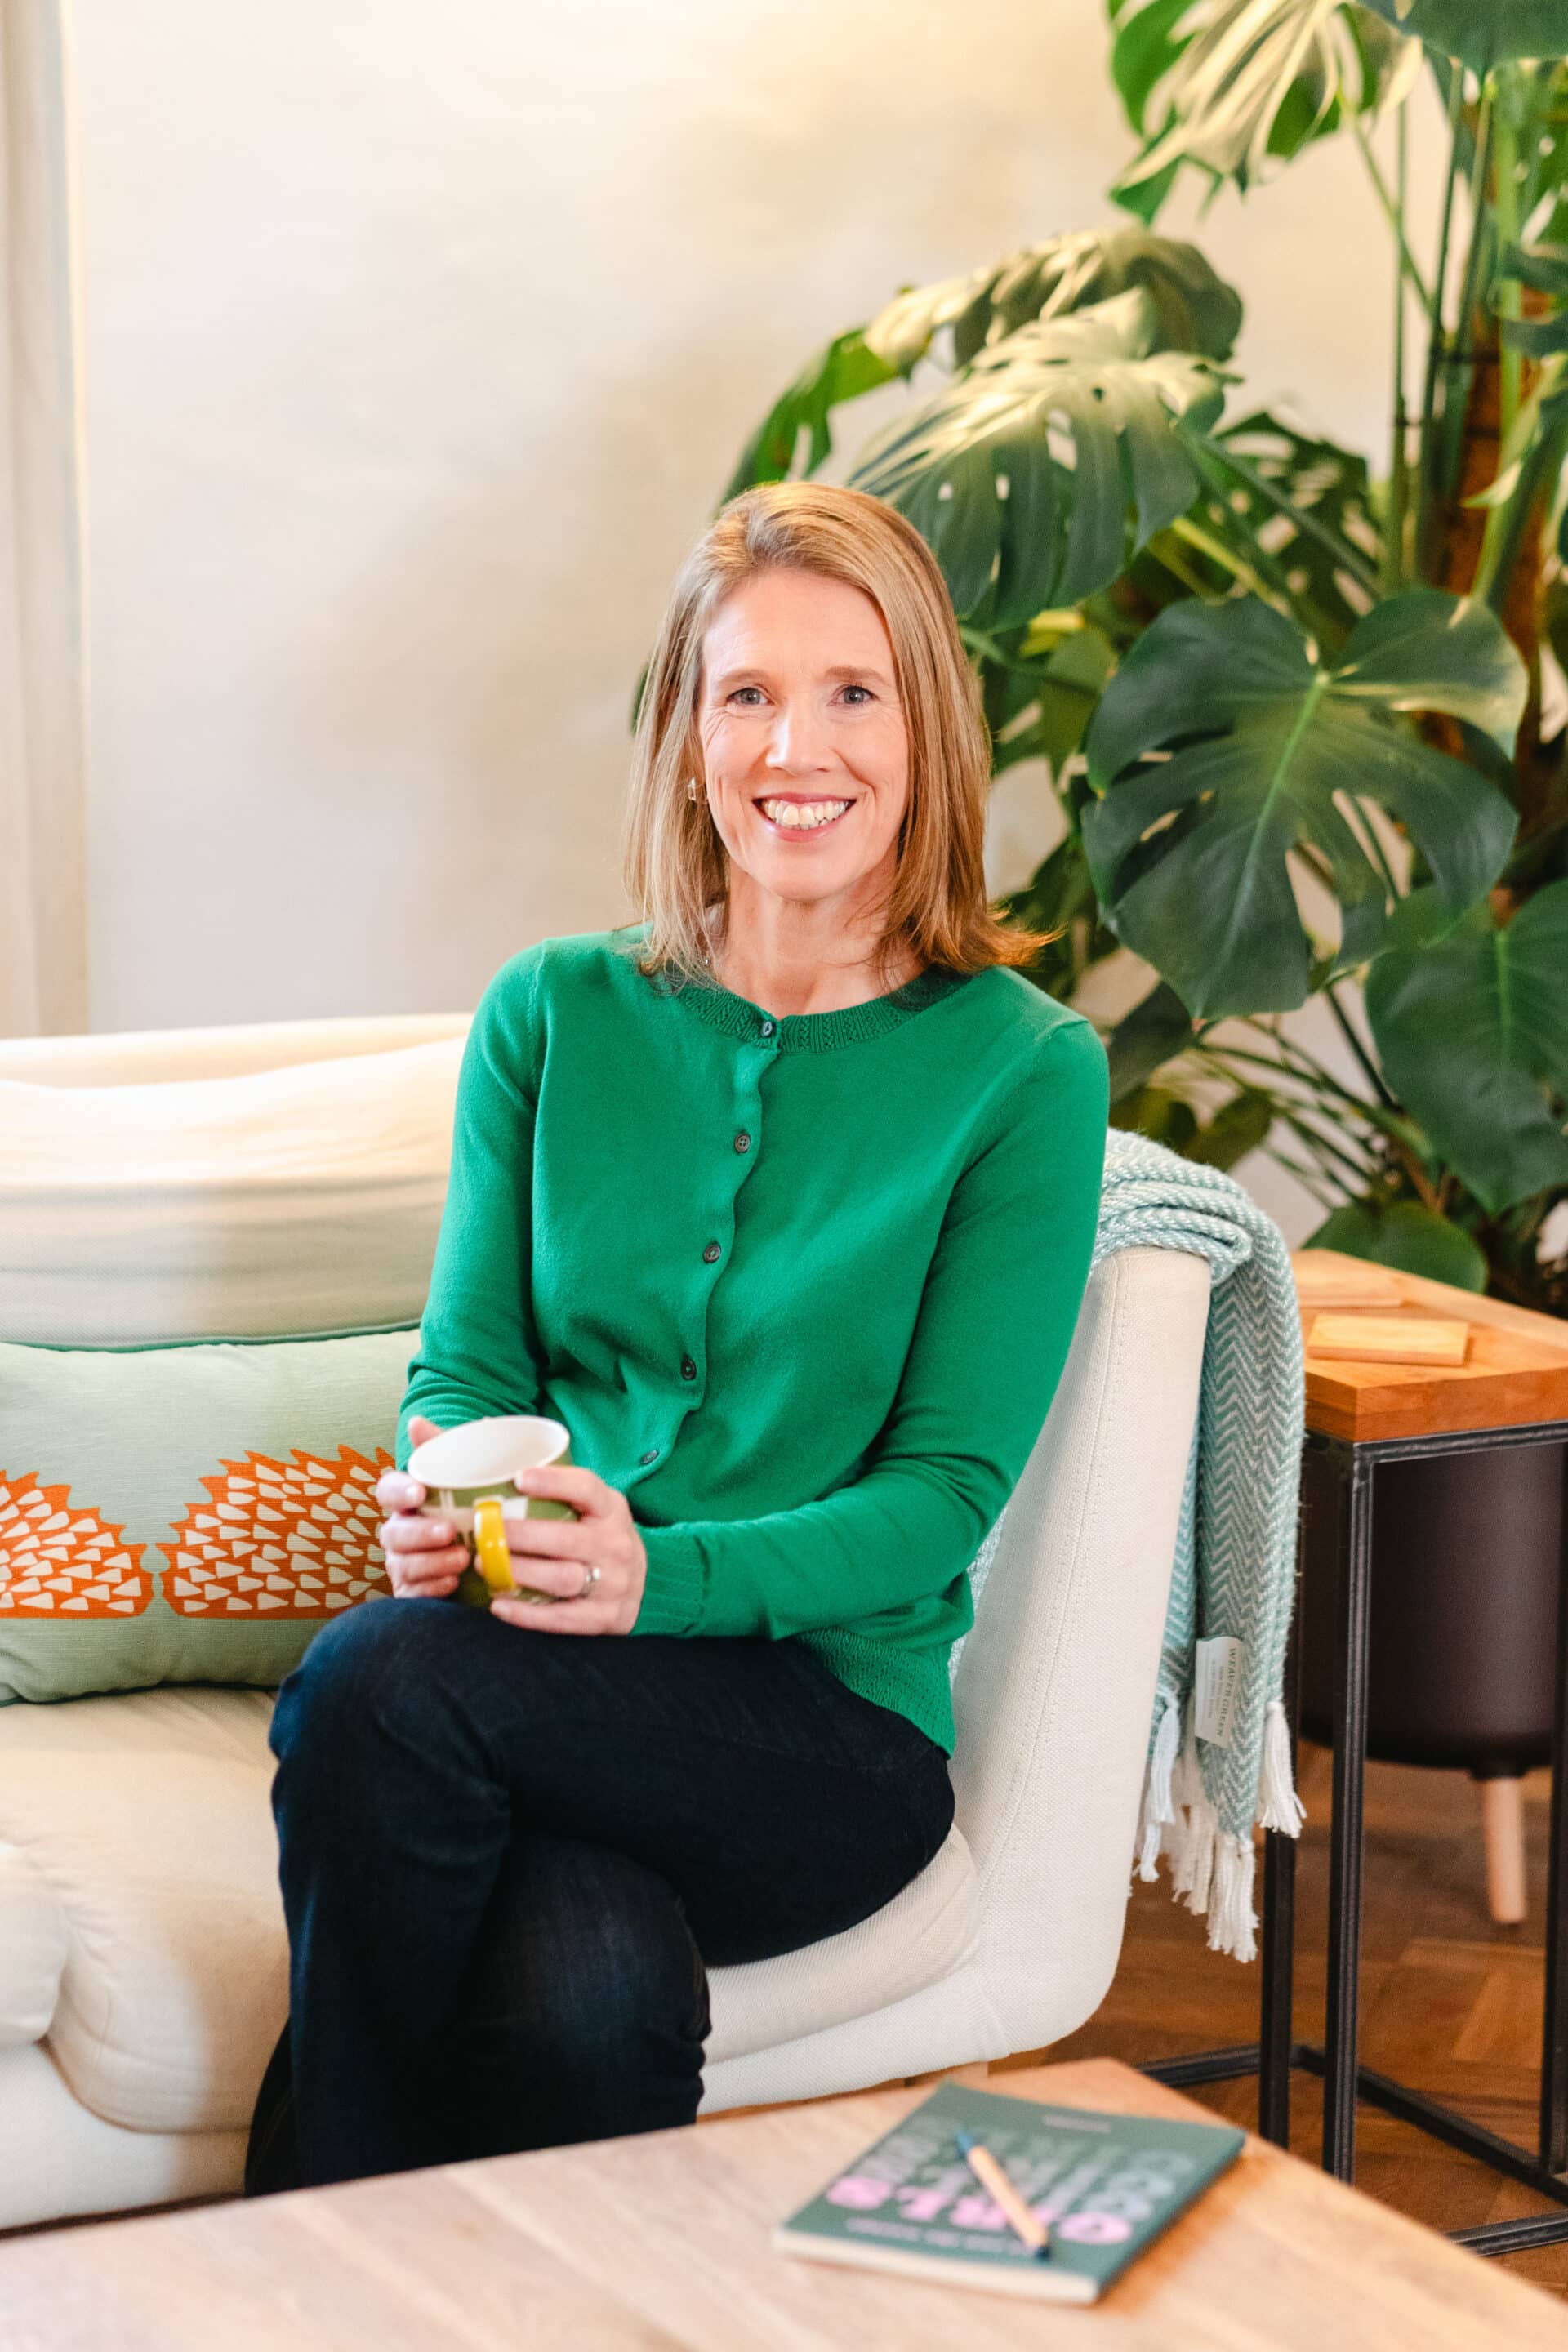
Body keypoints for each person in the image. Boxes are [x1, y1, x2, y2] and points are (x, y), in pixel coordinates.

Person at [245, 479, 1110, 2194]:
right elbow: (470, 1370)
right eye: (748, 694)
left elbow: (942, 1499)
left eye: (854, 692)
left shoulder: (1022, 1072)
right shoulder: (553, 1012)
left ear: (927, 728)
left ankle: (287, 2259)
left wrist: (664, 1582)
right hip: (539, 1670)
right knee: (593, 1996)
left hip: (818, 1735)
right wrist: (439, 1487)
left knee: (372, 1685)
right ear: (687, 733)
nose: (802, 746)